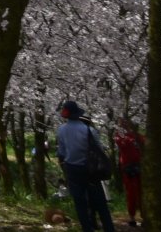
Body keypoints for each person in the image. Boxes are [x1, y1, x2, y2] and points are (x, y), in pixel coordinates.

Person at [56, 99, 116, 232]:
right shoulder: (89, 130)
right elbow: (99, 150)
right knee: (100, 203)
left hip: (72, 169)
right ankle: (109, 228)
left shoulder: (61, 130)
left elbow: (61, 151)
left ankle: (87, 228)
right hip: (90, 170)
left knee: (80, 203)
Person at [116, 120, 146, 228]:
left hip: (138, 167)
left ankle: (142, 216)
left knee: (140, 192)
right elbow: (121, 144)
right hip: (128, 168)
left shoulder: (138, 136)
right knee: (132, 193)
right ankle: (132, 216)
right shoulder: (121, 136)